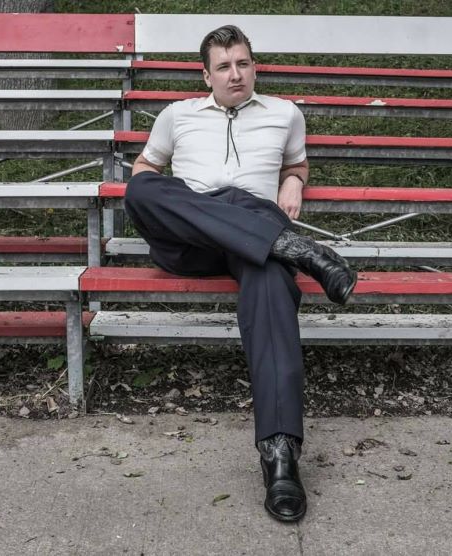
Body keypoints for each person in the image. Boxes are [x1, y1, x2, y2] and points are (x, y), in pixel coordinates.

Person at [125, 25, 357, 523]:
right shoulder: (176, 115)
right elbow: (145, 166)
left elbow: (297, 164)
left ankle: (280, 455)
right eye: (224, 66)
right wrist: (194, 205)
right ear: (206, 75)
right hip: (192, 240)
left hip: (254, 238)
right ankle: (299, 250)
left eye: (243, 63)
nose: (236, 74)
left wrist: (294, 180)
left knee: (268, 273)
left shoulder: (285, 113)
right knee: (141, 189)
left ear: (255, 67)